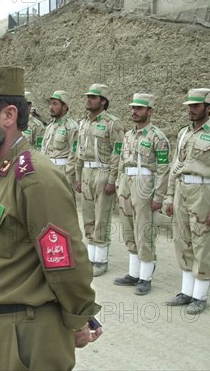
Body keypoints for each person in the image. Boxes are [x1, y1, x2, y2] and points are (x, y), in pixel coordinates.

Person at [0, 66, 102, 370]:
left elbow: (64, 260)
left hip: (26, 337)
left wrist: (78, 319)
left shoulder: (33, 177)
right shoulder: (3, 172)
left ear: (8, 116)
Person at [164, 88, 210, 315]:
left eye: (196, 106)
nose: (191, 110)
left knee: (202, 242)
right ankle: (186, 291)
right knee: (182, 240)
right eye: (189, 106)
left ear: (209, 108)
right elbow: (175, 165)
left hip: (204, 191)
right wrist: (169, 195)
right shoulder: (183, 133)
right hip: (182, 189)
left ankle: (200, 295)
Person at [113, 93, 170, 295]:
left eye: (139, 108)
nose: (134, 112)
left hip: (145, 184)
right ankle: (133, 273)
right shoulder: (128, 135)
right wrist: (119, 183)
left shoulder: (157, 137)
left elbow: (164, 168)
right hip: (127, 184)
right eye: (133, 108)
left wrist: (159, 196)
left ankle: (145, 277)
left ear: (150, 111)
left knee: (145, 230)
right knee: (128, 228)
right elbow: (121, 161)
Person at [73, 84, 124, 277]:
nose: (88, 100)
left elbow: (117, 152)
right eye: (88, 96)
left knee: (102, 216)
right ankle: (90, 257)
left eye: (93, 97)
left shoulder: (113, 123)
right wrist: (77, 176)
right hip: (86, 171)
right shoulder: (83, 123)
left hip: (103, 172)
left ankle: (100, 260)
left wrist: (112, 179)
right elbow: (78, 150)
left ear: (103, 101)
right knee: (87, 215)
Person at [41, 90, 78, 185]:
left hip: (62, 172)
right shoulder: (49, 126)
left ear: (64, 107)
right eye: (50, 104)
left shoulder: (71, 127)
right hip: (47, 170)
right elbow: (43, 149)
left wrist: (68, 176)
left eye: (55, 104)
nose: (51, 107)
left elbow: (73, 154)